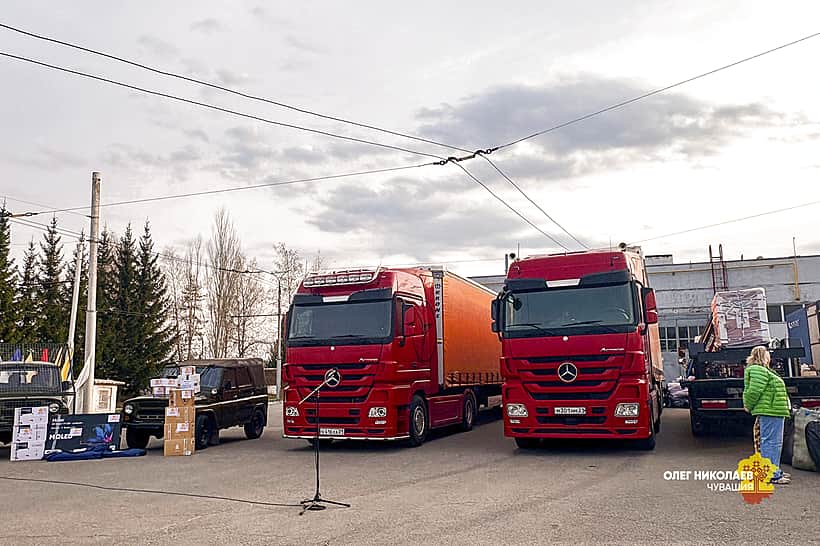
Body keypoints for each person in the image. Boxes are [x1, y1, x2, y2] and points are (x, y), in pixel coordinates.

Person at [743, 346, 792, 485]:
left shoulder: (761, 370)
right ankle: (771, 474)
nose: (770, 356)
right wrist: (749, 405)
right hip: (770, 410)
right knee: (772, 442)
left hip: (772, 410)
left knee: (772, 442)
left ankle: (773, 470)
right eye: (768, 354)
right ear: (762, 355)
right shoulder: (758, 370)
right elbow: (754, 391)